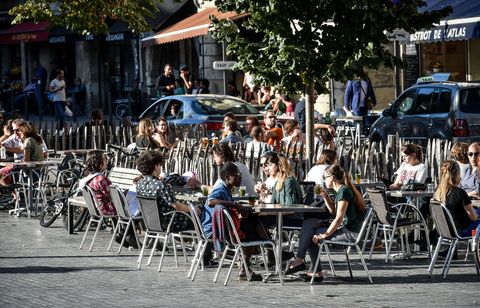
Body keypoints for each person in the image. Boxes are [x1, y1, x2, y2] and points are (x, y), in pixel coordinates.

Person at [285, 164, 365, 282]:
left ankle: (309, 267)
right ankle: (307, 265)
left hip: (351, 232)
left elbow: (338, 218)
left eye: (325, 177)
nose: (324, 180)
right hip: (346, 228)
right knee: (309, 224)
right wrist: (326, 197)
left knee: (312, 235)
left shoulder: (343, 191)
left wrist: (324, 235)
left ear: (332, 178)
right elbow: (333, 211)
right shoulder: (341, 190)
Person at [201, 162, 267, 281]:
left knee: (251, 221)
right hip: (215, 229)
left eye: (240, 174)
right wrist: (234, 204)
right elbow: (211, 201)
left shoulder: (227, 189)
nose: (240, 177)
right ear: (227, 178)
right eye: (236, 175)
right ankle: (264, 246)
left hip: (220, 228)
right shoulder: (220, 189)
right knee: (251, 225)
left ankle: (252, 259)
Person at [136, 150, 193, 232]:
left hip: (150, 222)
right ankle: (206, 242)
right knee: (197, 215)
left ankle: (153, 240)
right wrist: (192, 208)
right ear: (155, 166)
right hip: (169, 222)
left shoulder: (140, 183)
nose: (160, 168)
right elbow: (177, 206)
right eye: (159, 165)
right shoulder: (160, 184)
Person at [433, 160, 480, 238]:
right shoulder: (460, 193)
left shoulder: (438, 193)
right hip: (462, 231)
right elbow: (473, 218)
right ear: (457, 175)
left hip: (445, 231)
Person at [80, 150, 116, 216]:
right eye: (105, 159)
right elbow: (112, 196)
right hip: (107, 209)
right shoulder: (101, 179)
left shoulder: (88, 178)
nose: (107, 162)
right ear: (99, 163)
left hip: (95, 209)